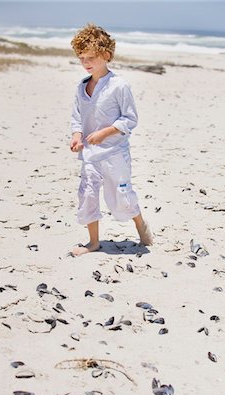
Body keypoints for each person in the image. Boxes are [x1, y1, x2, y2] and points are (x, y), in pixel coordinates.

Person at [69, 23, 152, 256]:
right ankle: (93, 242)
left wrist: (105, 132)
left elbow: (130, 118)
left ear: (106, 55)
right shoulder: (81, 87)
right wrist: (77, 135)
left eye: (91, 57)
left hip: (115, 153)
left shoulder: (119, 85)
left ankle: (140, 224)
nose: (86, 63)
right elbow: (77, 117)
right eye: (82, 57)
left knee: (121, 196)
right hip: (90, 154)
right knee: (87, 193)